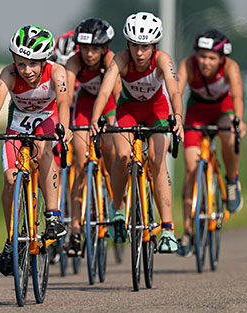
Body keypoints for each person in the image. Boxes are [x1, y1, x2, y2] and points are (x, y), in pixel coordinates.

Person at [0, 25, 73, 275]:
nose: (26, 71)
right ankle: (11, 239)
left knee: (43, 148)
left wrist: (64, 127)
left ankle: (52, 216)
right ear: (13, 61)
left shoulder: (57, 72)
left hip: (47, 120)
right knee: (9, 179)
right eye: (20, 64)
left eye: (33, 64)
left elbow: (63, 102)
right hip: (17, 125)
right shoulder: (8, 73)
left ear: (44, 60)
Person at [89, 12, 184, 253]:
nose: (139, 53)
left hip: (157, 110)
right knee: (122, 156)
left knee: (156, 161)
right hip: (128, 109)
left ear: (154, 46)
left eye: (145, 47)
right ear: (127, 45)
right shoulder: (120, 60)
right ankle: (117, 210)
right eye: (134, 46)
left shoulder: (163, 59)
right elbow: (105, 91)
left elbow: (174, 91)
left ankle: (167, 230)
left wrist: (179, 118)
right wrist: (94, 120)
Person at [176, 29, 247, 256]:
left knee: (230, 135)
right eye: (202, 56)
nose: (205, 62)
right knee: (190, 169)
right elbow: (176, 91)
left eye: (211, 58)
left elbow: (236, 96)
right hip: (196, 112)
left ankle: (232, 180)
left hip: (222, 109)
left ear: (221, 59)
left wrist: (238, 119)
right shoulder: (188, 65)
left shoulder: (230, 67)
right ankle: (188, 232)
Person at [64, 18, 121, 256]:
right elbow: (66, 98)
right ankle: (75, 232)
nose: (89, 54)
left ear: (104, 48)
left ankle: (112, 193)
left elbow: (118, 96)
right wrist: (65, 126)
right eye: (85, 48)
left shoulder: (111, 61)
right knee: (79, 161)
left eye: (94, 49)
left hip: (109, 105)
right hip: (85, 105)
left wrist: (115, 126)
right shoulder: (73, 62)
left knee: (108, 147)